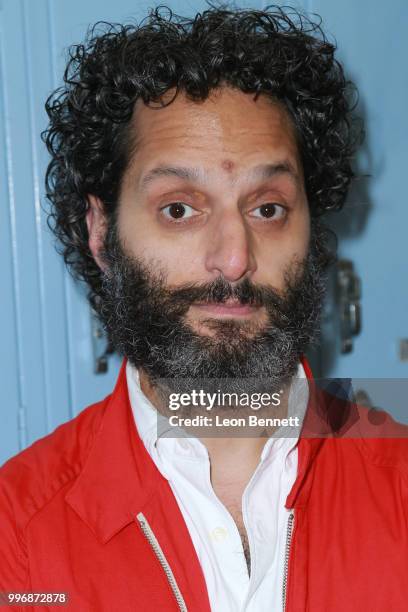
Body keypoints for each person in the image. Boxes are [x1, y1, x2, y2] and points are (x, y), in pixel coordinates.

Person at [0, 5, 407, 611]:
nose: (234, 258)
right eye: (179, 209)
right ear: (100, 231)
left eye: (267, 207)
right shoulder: (18, 533)